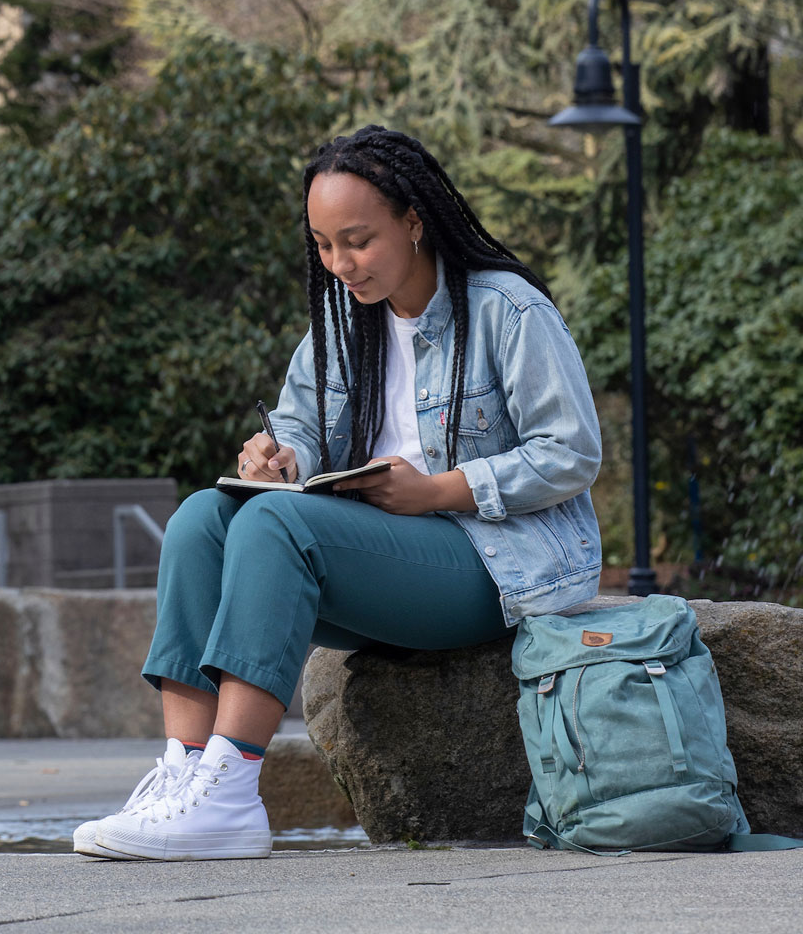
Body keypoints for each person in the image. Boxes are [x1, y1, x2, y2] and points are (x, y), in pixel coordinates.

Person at [75, 125, 602, 861]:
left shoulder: (506, 310)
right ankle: (184, 776)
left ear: (414, 221)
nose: (340, 264)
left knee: (279, 529)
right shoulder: (341, 319)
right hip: (383, 565)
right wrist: (278, 458)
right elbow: (302, 429)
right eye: (324, 245)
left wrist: (441, 491)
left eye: (358, 240)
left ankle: (229, 792)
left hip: (497, 566)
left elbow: (572, 452)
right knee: (204, 517)